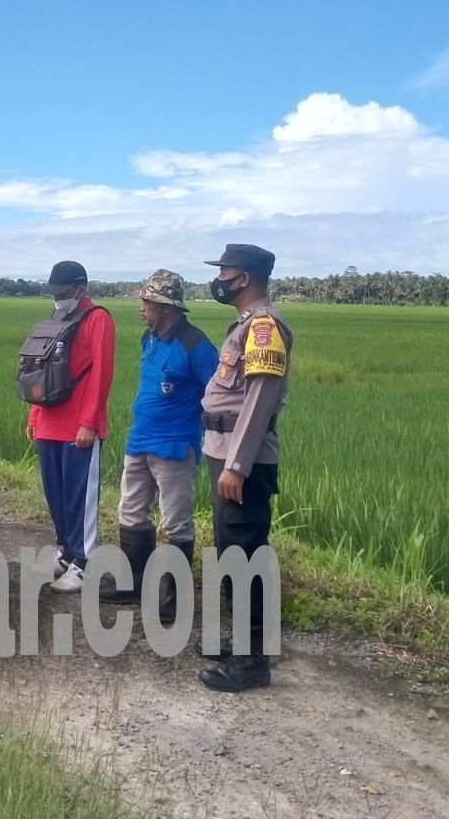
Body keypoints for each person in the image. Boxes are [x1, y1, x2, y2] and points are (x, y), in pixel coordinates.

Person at [193, 243, 293, 693]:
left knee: (247, 551)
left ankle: (253, 661)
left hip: (242, 456)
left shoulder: (265, 328)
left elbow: (258, 401)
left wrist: (237, 464)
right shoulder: (243, 327)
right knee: (232, 549)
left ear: (245, 278)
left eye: (226, 272)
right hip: (223, 449)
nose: (220, 279)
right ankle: (242, 642)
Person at [99, 270, 220, 622]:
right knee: (131, 511)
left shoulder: (196, 346)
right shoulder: (148, 339)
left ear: (166, 307)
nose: (142, 308)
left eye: (147, 302)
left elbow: (216, 394)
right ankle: (136, 582)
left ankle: (177, 598)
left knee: (176, 522)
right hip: (140, 440)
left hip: (174, 447)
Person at [26, 260, 116, 592]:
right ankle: (65, 552)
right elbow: (42, 373)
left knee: (80, 497)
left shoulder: (98, 320)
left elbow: (101, 376)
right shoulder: (58, 319)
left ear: (80, 289)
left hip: (79, 427)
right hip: (50, 423)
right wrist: (34, 417)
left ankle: (83, 563)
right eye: (55, 293)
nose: (58, 298)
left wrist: (89, 423)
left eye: (63, 292)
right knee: (56, 495)